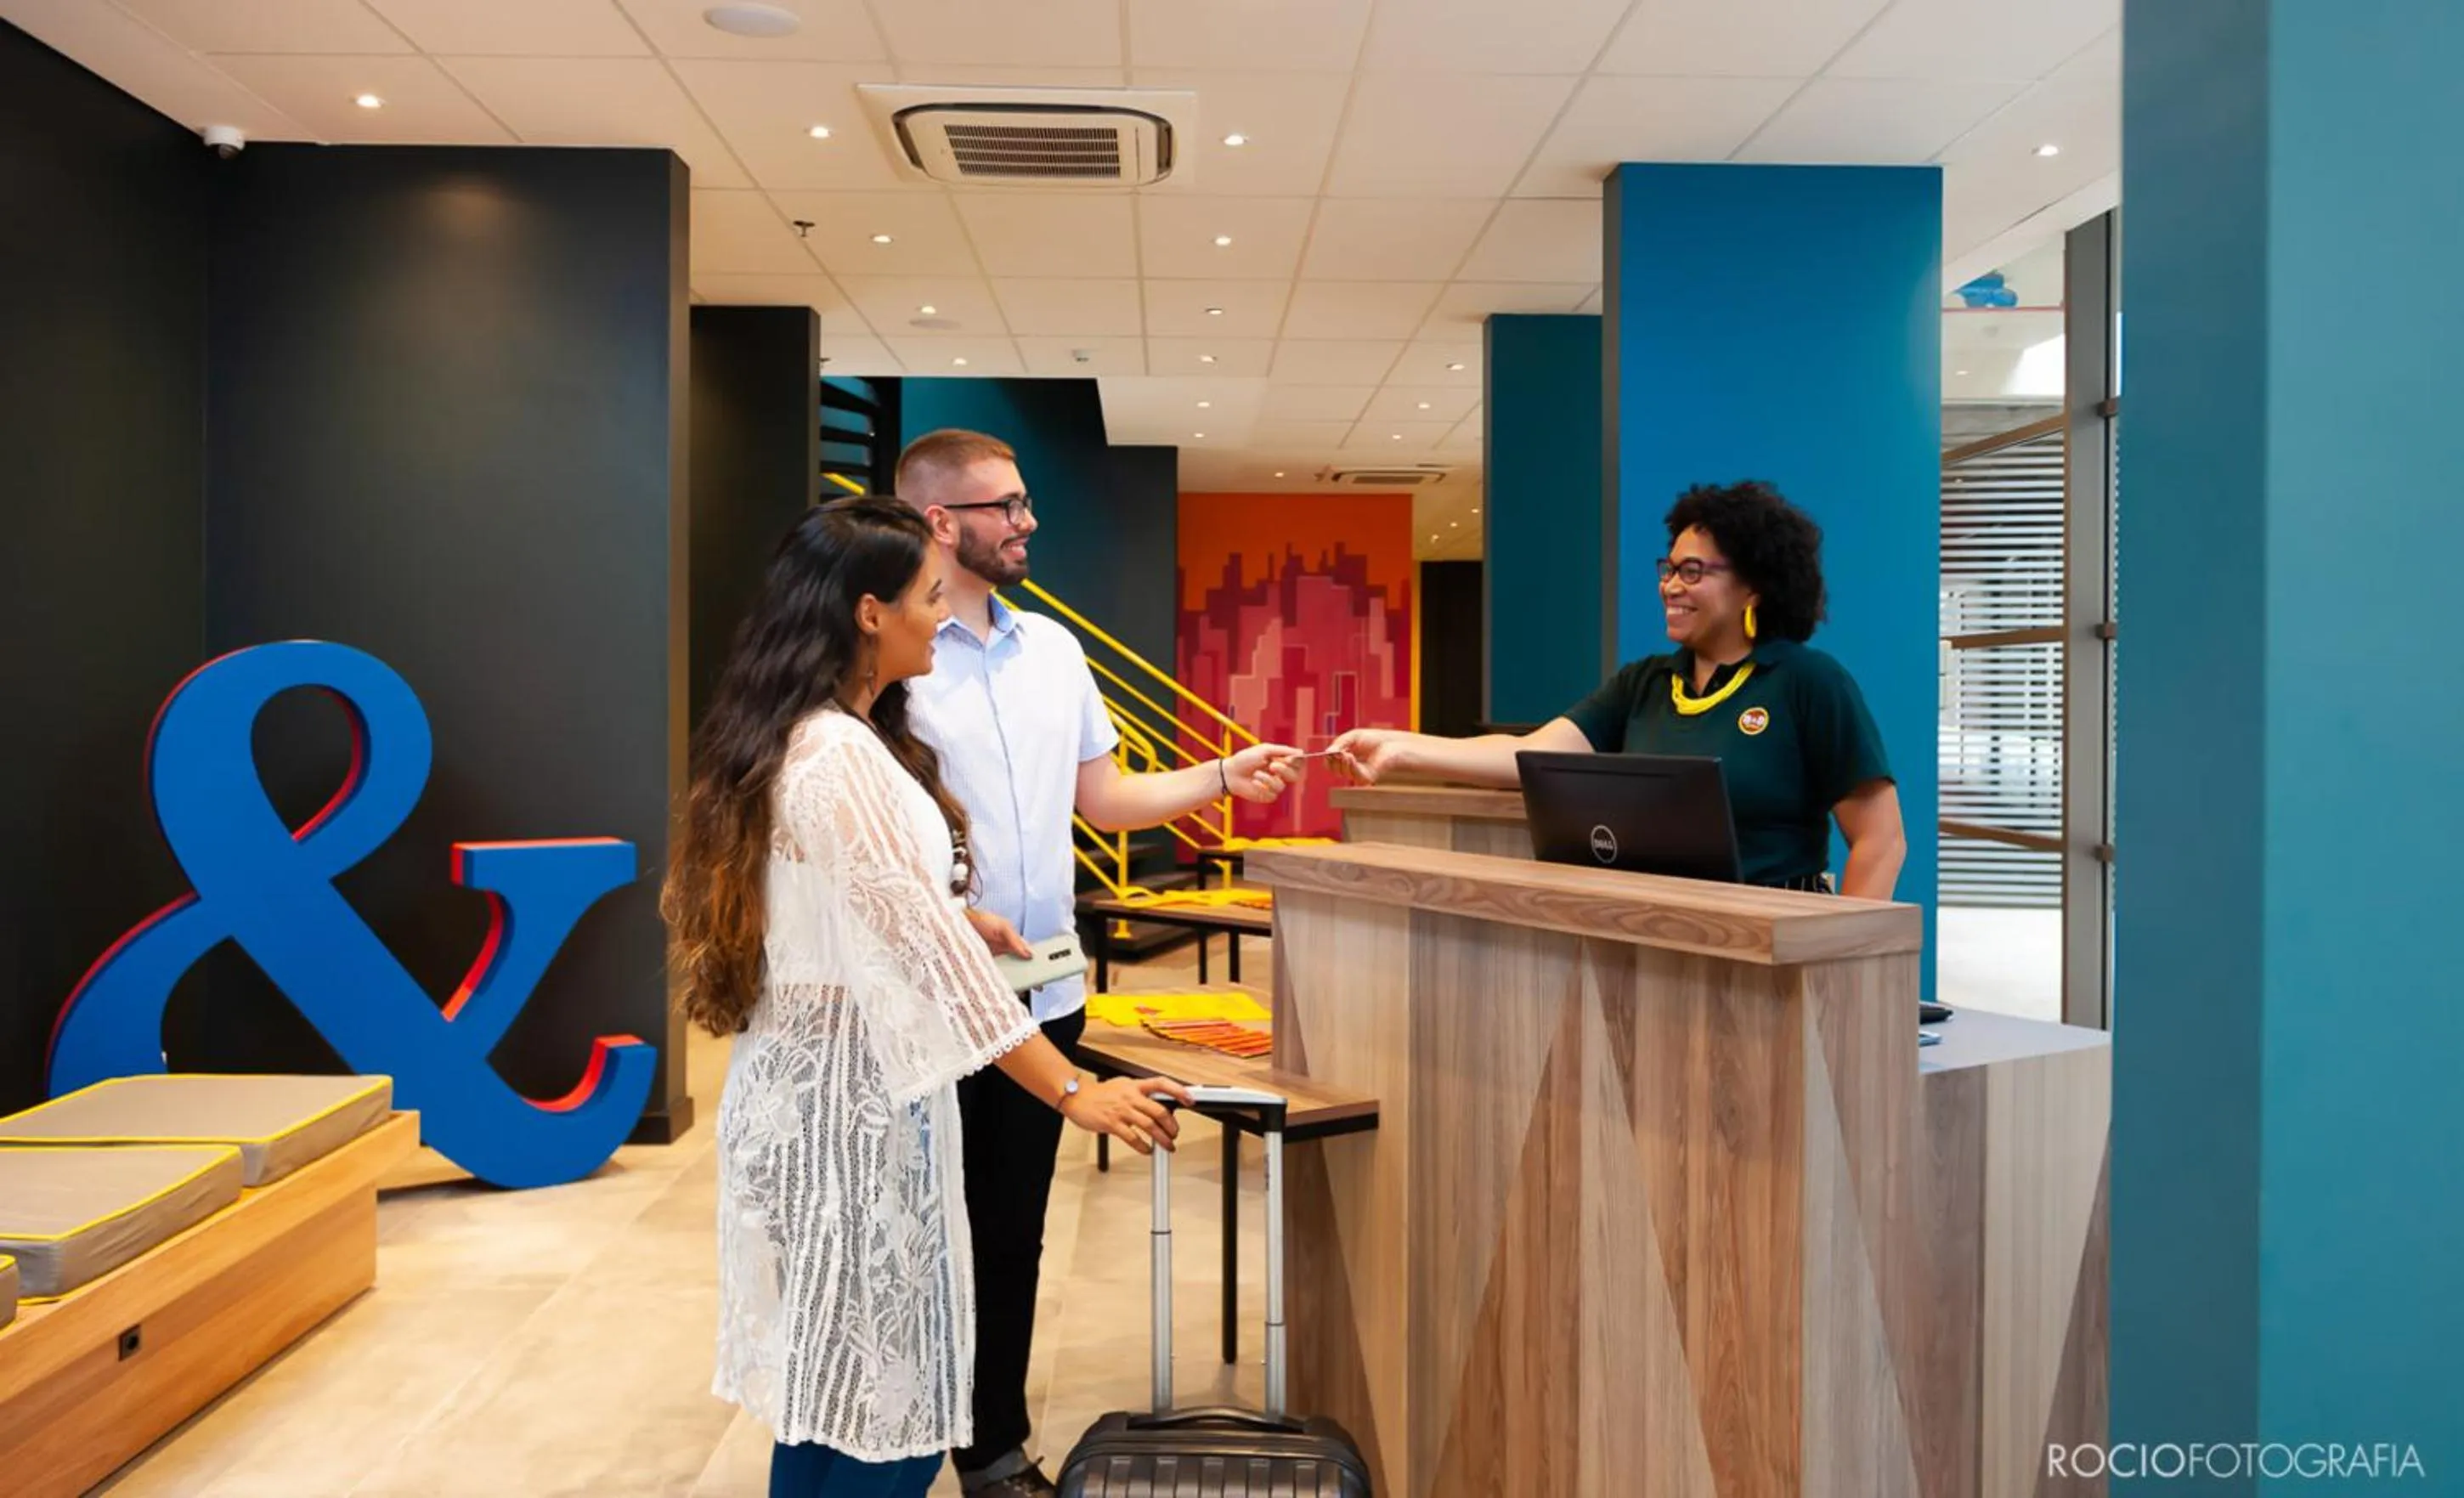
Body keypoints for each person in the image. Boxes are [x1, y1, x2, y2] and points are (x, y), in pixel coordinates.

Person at [663, 496, 1195, 1498]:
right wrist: (1071, 1088)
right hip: (851, 1126)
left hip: (821, 1104)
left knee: (831, 1400)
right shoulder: (838, 756)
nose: (938, 615)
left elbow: (866, 915)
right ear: (869, 613)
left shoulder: (811, 738)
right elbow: (927, 966)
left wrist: (960, 919)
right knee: (894, 1419)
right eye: (926, 597)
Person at [894, 428, 1303, 1496]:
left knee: (1013, 1230)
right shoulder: (889, 653)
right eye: (1004, 505)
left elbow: (1105, 799)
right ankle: (893, 1434)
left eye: (1026, 500)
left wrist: (1225, 772)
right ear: (940, 521)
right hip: (931, 996)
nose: (1027, 520)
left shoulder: (1055, 652)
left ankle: (990, 1447)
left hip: (1049, 994)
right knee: (917, 1233)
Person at [1331, 479, 1907, 901]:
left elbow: (1880, 840)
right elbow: (1533, 751)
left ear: (1755, 585)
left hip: (1777, 933)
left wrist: (1844, 963)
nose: (1669, 586)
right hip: (1663, 929)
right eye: (1668, 568)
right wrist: (1402, 747)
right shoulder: (1647, 682)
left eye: (1692, 572)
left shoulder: (1808, 681)